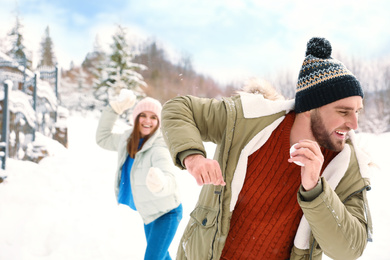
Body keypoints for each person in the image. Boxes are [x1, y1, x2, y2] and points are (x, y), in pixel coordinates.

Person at [161, 37, 373, 260]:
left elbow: (349, 250)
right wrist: (193, 157)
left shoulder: (347, 166)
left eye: (357, 111)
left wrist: (315, 190)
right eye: (343, 112)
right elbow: (178, 109)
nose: (354, 124)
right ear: (310, 108)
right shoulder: (249, 120)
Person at [96, 92, 182, 260]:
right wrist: (114, 109)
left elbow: (169, 178)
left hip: (167, 212)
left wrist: (161, 183)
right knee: (162, 256)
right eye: (143, 115)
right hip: (150, 211)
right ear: (135, 118)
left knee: (152, 258)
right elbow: (103, 138)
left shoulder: (159, 147)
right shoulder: (127, 140)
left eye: (153, 117)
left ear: (159, 122)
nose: (147, 121)